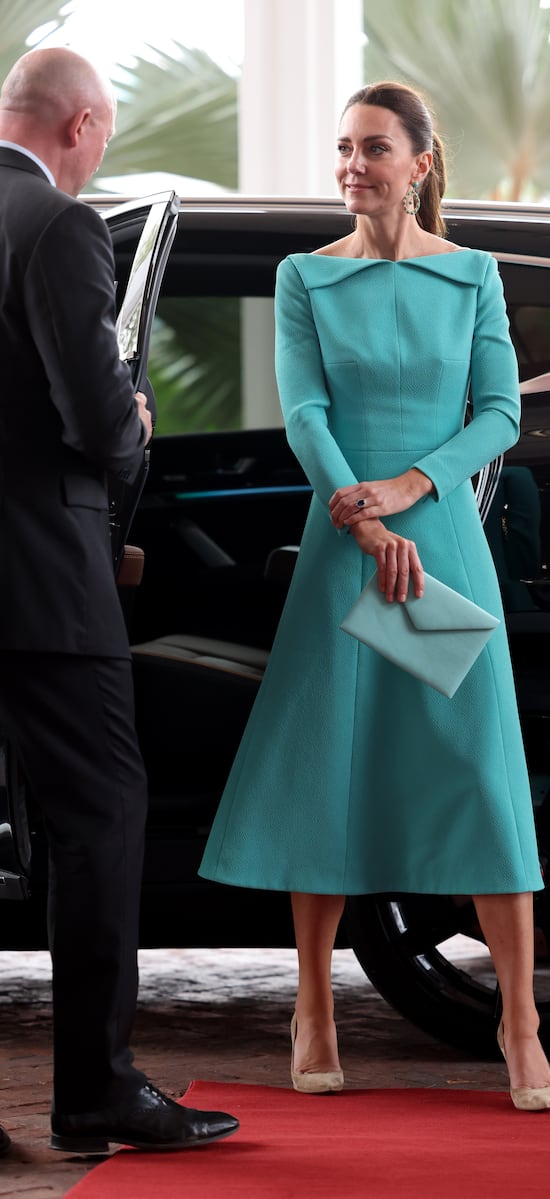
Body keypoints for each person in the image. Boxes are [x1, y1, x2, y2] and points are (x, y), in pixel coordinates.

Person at [200, 80, 550, 1112]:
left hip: (438, 538)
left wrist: (408, 491)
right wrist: (360, 521)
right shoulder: (306, 276)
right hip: (341, 542)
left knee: (479, 774)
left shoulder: (474, 276)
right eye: (342, 150)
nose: (351, 166)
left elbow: (499, 414)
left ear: (420, 161)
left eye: (371, 149)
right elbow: (305, 414)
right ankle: (311, 1001)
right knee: (329, 769)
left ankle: (519, 1020)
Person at [0, 47, 239, 1153]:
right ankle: (97, 1089)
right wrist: (133, 422)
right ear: (82, 125)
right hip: (41, 577)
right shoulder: (55, 227)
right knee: (99, 817)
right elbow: (96, 414)